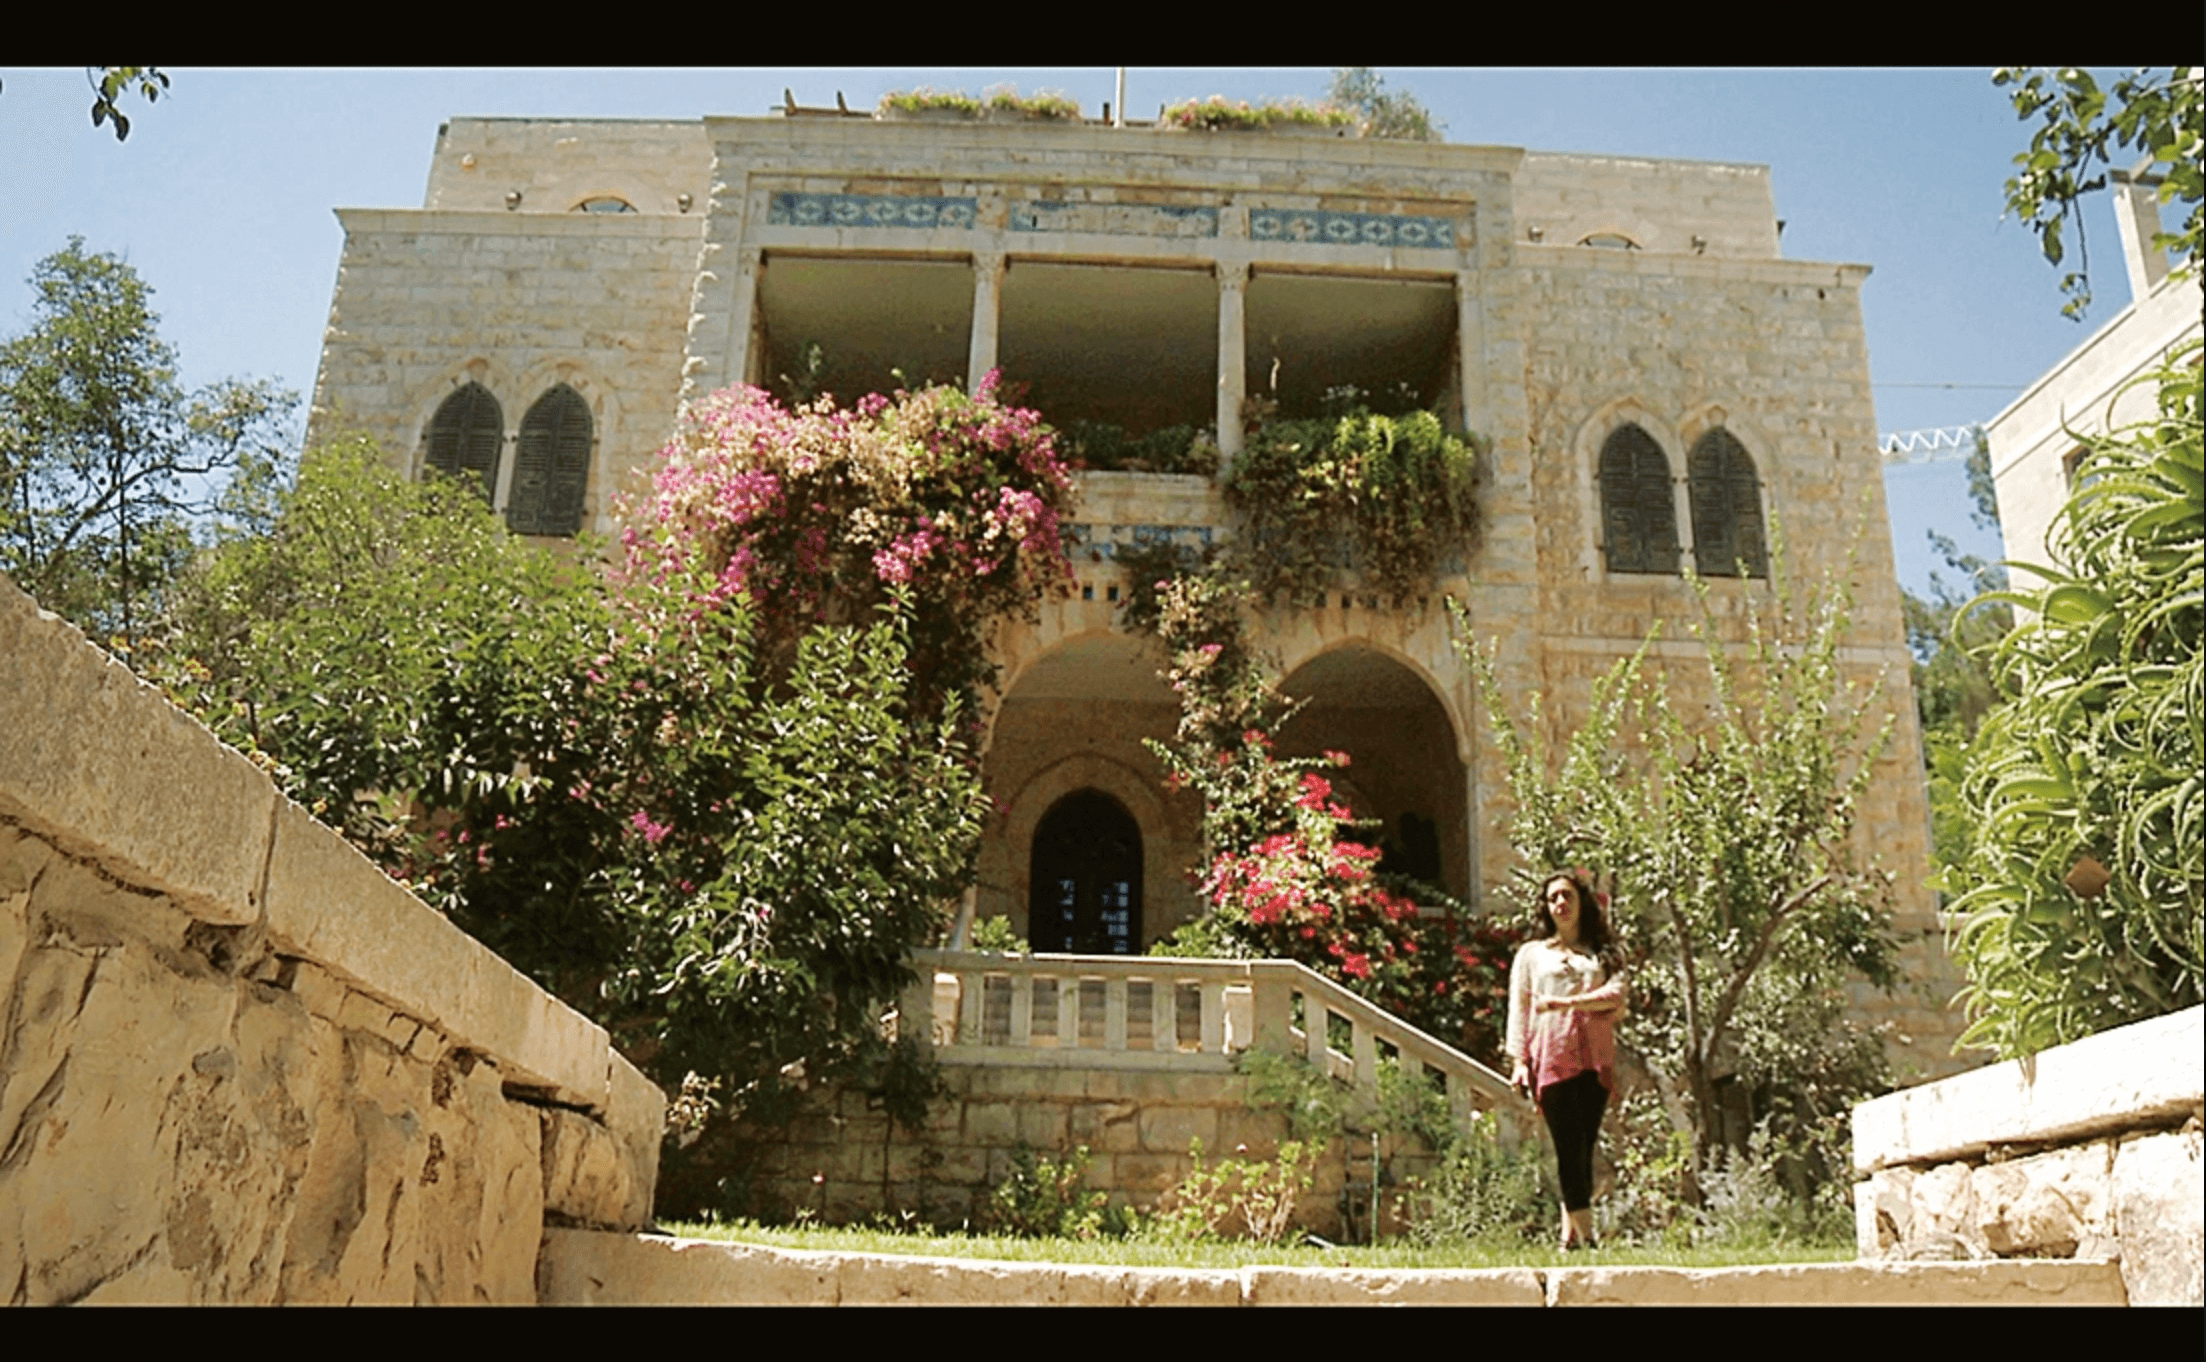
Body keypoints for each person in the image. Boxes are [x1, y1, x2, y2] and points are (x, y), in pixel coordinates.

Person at [1506, 868, 1627, 1251]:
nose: (1560, 904)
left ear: (1581, 902)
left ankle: (1568, 1238)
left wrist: (1566, 1003)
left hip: (1595, 1058)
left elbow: (1617, 997)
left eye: (1567, 896)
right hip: (1552, 1056)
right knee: (1567, 1145)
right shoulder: (1532, 955)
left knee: (1584, 1145)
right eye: (1553, 898)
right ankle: (1589, 1237)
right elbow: (1520, 1007)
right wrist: (1519, 1061)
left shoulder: (1603, 953)